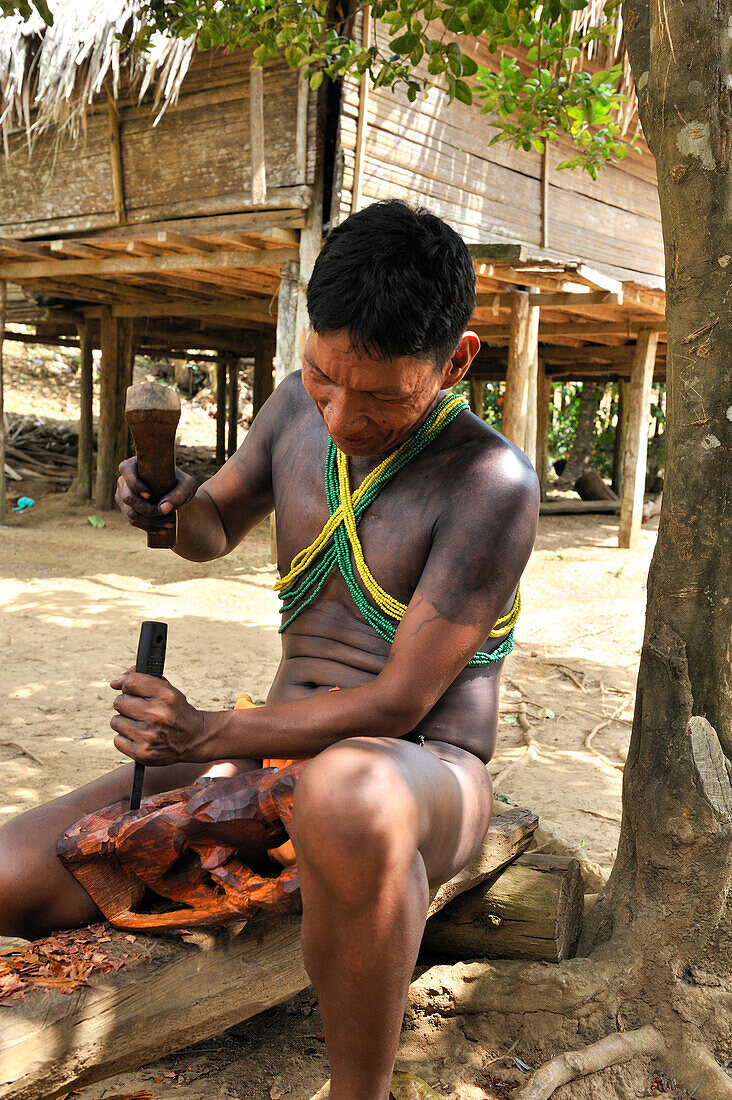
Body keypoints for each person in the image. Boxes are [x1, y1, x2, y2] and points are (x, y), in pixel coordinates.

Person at [0, 200, 539, 1100]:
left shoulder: (492, 481)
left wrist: (203, 735)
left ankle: (358, 1092)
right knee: (10, 871)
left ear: (457, 361)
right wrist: (168, 503)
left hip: (419, 775)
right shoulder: (296, 410)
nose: (343, 416)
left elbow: (399, 704)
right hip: (261, 753)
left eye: (380, 397)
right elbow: (214, 527)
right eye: (325, 380)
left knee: (344, 792)